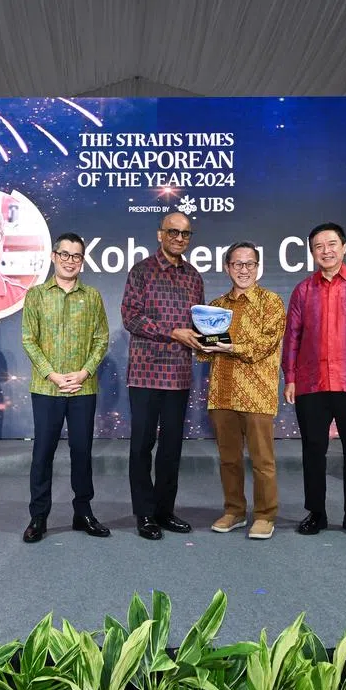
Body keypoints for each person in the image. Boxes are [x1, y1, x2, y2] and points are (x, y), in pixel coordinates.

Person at [282, 223, 346, 540]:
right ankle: (316, 513)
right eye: (318, 246)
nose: (326, 251)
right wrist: (290, 377)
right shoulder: (303, 290)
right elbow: (292, 338)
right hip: (311, 383)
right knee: (313, 450)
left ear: (344, 247)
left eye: (331, 244)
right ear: (312, 252)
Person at [20, 233, 111, 542]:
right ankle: (38, 517)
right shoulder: (36, 295)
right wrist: (53, 375)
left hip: (83, 389)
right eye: (65, 254)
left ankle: (83, 512)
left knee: (82, 452)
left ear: (82, 261)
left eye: (77, 256)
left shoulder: (93, 296)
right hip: (47, 388)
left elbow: (101, 338)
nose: (71, 261)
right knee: (42, 452)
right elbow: (28, 339)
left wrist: (85, 372)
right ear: (54, 257)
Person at [121, 212, 204, 540]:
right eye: (173, 232)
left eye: (185, 234)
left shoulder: (194, 277)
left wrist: (206, 340)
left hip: (179, 375)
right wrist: (173, 333)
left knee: (171, 449)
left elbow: (196, 325)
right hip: (144, 374)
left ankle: (164, 510)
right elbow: (131, 317)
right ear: (160, 235)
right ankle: (144, 514)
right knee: (142, 447)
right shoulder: (141, 271)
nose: (179, 238)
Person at [197, 242, 286, 540]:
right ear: (227, 267)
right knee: (229, 459)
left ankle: (264, 515)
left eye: (249, 264)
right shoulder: (216, 306)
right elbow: (206, 352)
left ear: (258, 267)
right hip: (222, 392)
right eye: (237, 264)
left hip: (257, 394)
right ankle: (234, 511)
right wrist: (200, 341)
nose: (243, 269)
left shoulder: (271, 302)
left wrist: (231, 346)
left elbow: (265, 345)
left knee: (263, 461)